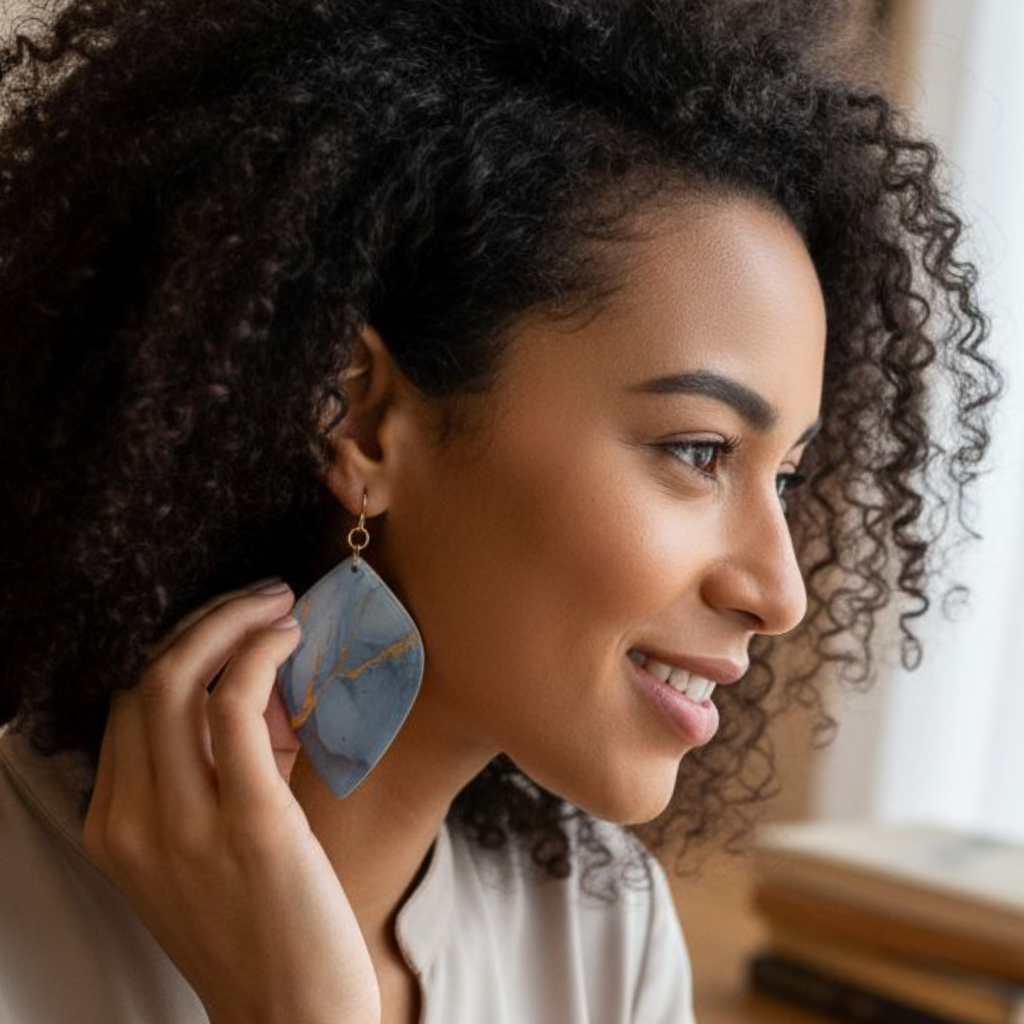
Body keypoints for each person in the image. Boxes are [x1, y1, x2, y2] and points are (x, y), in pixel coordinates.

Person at [0, 1, 1002, 1022]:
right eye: (699, 451)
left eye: (784, 476)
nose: (780, 593)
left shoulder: (599, 943)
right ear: (364, 421)